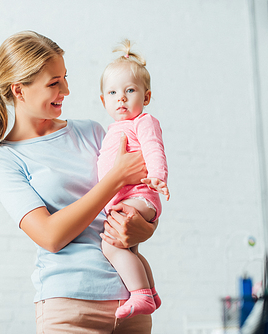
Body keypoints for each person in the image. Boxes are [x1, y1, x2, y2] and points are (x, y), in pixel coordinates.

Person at [0, 31, 157, 333]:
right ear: (19, 90)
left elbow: (139, 197)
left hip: (130, 298)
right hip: (70, 304)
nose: (66, 90)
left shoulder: (92, 132)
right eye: (54, 83)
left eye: (64, 78)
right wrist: (116, 177)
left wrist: (144, 226)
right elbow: (50, 236)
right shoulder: (5, 159)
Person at [97, 40, 169, 319]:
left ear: (146, 96)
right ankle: (150, 293)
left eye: (130, 91)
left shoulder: (144, 121)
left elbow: (154, 149)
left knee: (111, 244)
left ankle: (140, 296)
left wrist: (157, 178)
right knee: (130, 250)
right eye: (113, 92)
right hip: (127, 198)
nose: (121, 98)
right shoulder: (113, 128)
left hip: (140, 196)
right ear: (103, 100)